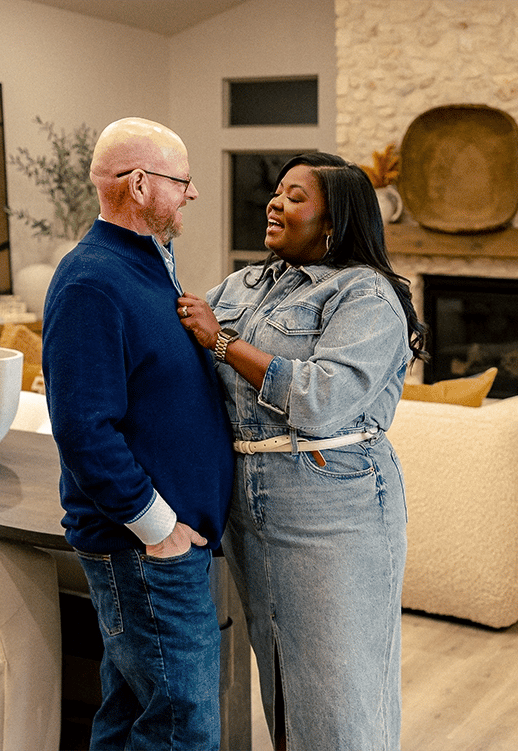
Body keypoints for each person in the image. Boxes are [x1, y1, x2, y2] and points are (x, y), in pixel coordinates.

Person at [176, 152, 427, 750]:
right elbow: (181, 340)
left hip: (332, 500)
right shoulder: (245, 284)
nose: (274, 203)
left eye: (295, 197)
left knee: (339, 692)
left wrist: (223, 340)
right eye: (277, 192)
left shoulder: (364, 295)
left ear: (333, 224)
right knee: (282, 681)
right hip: (247, 495)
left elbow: (322, 397)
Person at [41, 117, 234, 750]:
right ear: (143, 185)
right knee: (184, 730)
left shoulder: (150, 267)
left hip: (160, 550)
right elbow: (83, 428)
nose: (193, 193)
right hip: (145, 550)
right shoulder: (93, 282)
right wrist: (160, 529)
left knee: (132, 721)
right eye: (183, 181)